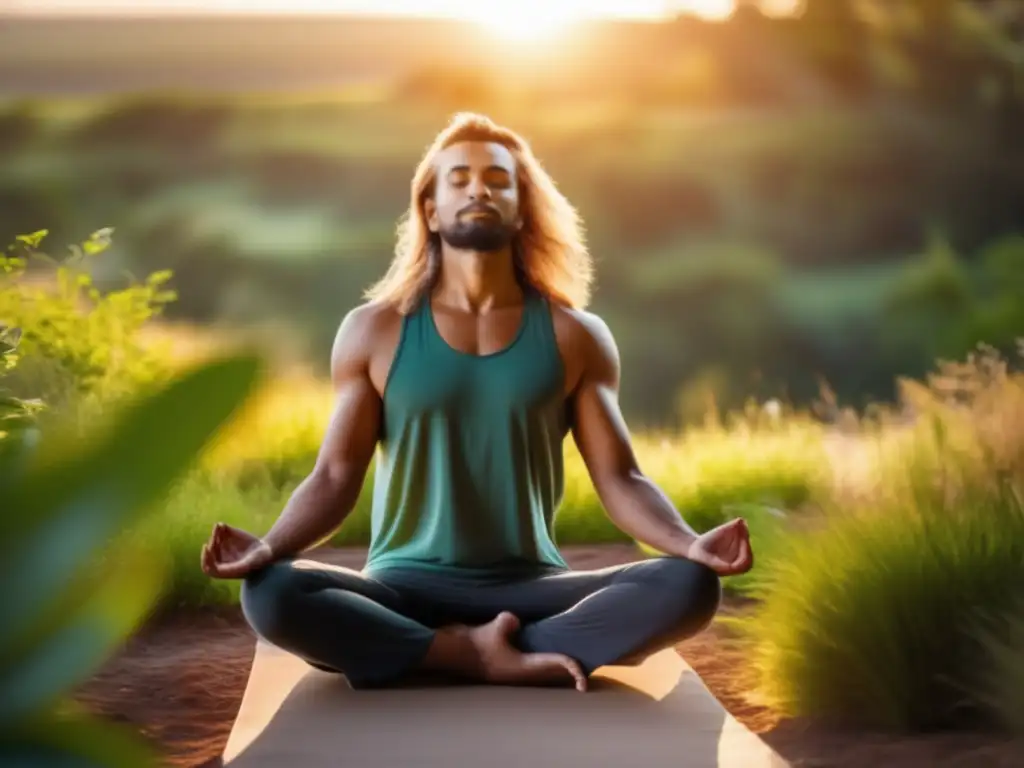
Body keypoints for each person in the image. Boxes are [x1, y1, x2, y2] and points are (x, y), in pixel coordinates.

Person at [200, 112, 753, 693]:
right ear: (431, 210)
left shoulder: (576, 335)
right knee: (273, 592)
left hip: (530, 590)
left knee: (688, 587)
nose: (479, 188)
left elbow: (621, 478)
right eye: (458, 178)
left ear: (521, 209)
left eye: (497, 178)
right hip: (401, 588)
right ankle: (488, 656)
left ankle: (450, 653)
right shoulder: (374, 331)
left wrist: (691, 544)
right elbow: (336, 475)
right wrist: (268, 546)